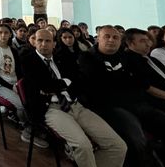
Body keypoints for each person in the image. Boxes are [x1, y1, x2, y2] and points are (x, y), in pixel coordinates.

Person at [79, 25, 165, 167]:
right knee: (137, 140)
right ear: (98, 39)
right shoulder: (87, 57)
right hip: (111, 107)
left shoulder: (127, 58)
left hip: (139, 104)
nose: (111, 40)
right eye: (107, 36)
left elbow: (139, 83)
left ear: (121, 41)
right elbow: (103, 84)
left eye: (115, 37)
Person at [21, 30, 127, 166]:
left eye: (48, 41)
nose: (43, 44)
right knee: (83, 145)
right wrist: (65, 82)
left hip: (76, 105)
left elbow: (79, 81)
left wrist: (59, 85)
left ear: (54, 44)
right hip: (51, 109)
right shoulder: (28, 60)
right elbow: (44, 85)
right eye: (40, 40)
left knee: (118, 146)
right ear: (34, 42)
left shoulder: (62, 58)